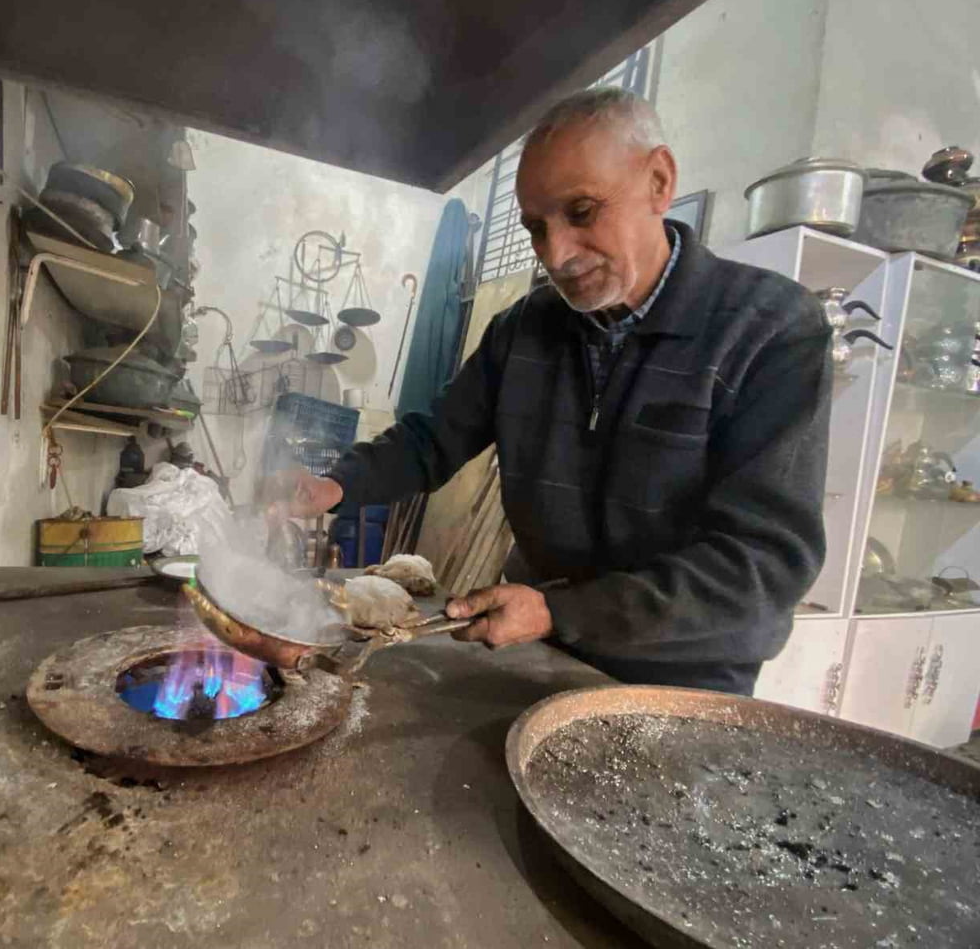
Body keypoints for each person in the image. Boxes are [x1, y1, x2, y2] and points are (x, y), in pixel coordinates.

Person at [283, 87, 831, 696]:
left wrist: (560, 610)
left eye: (582, 211)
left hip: (684, 678)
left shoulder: (767, 330)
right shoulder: (522, 331)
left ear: (658, 181)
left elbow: (763, 564)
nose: (557, 254)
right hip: (544, 649)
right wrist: (335, 486)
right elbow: (433, 439)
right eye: (536, 228)